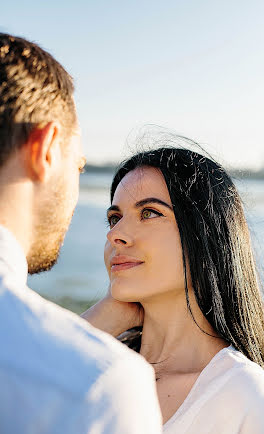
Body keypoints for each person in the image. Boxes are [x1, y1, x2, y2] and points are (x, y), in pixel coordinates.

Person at [0, 33, 162, 434]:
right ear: (47, 149)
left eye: (150, 214)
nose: (117, 235)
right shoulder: (101, 387)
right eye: (79, 166)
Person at [83, 145, 264, 433]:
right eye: (114, 217)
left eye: (149, 213)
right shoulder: (93, 369)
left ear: (205, 235)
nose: (114, 234)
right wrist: (97, 322)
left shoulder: (243, 398)